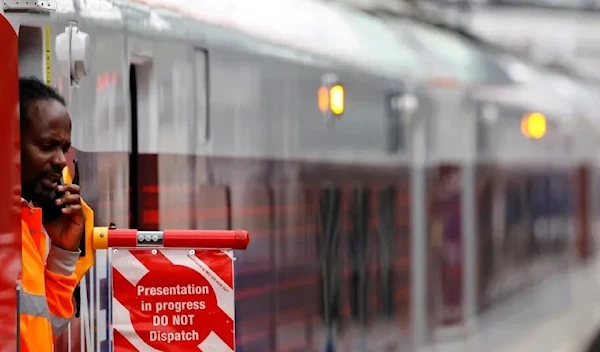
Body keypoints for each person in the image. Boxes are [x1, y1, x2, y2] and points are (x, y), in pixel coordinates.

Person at [18, 76, 87, 351]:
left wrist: (62, 253)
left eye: (64, 149)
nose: (61, 161)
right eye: (47, 147)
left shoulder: (24, 224)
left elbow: (48, 327)